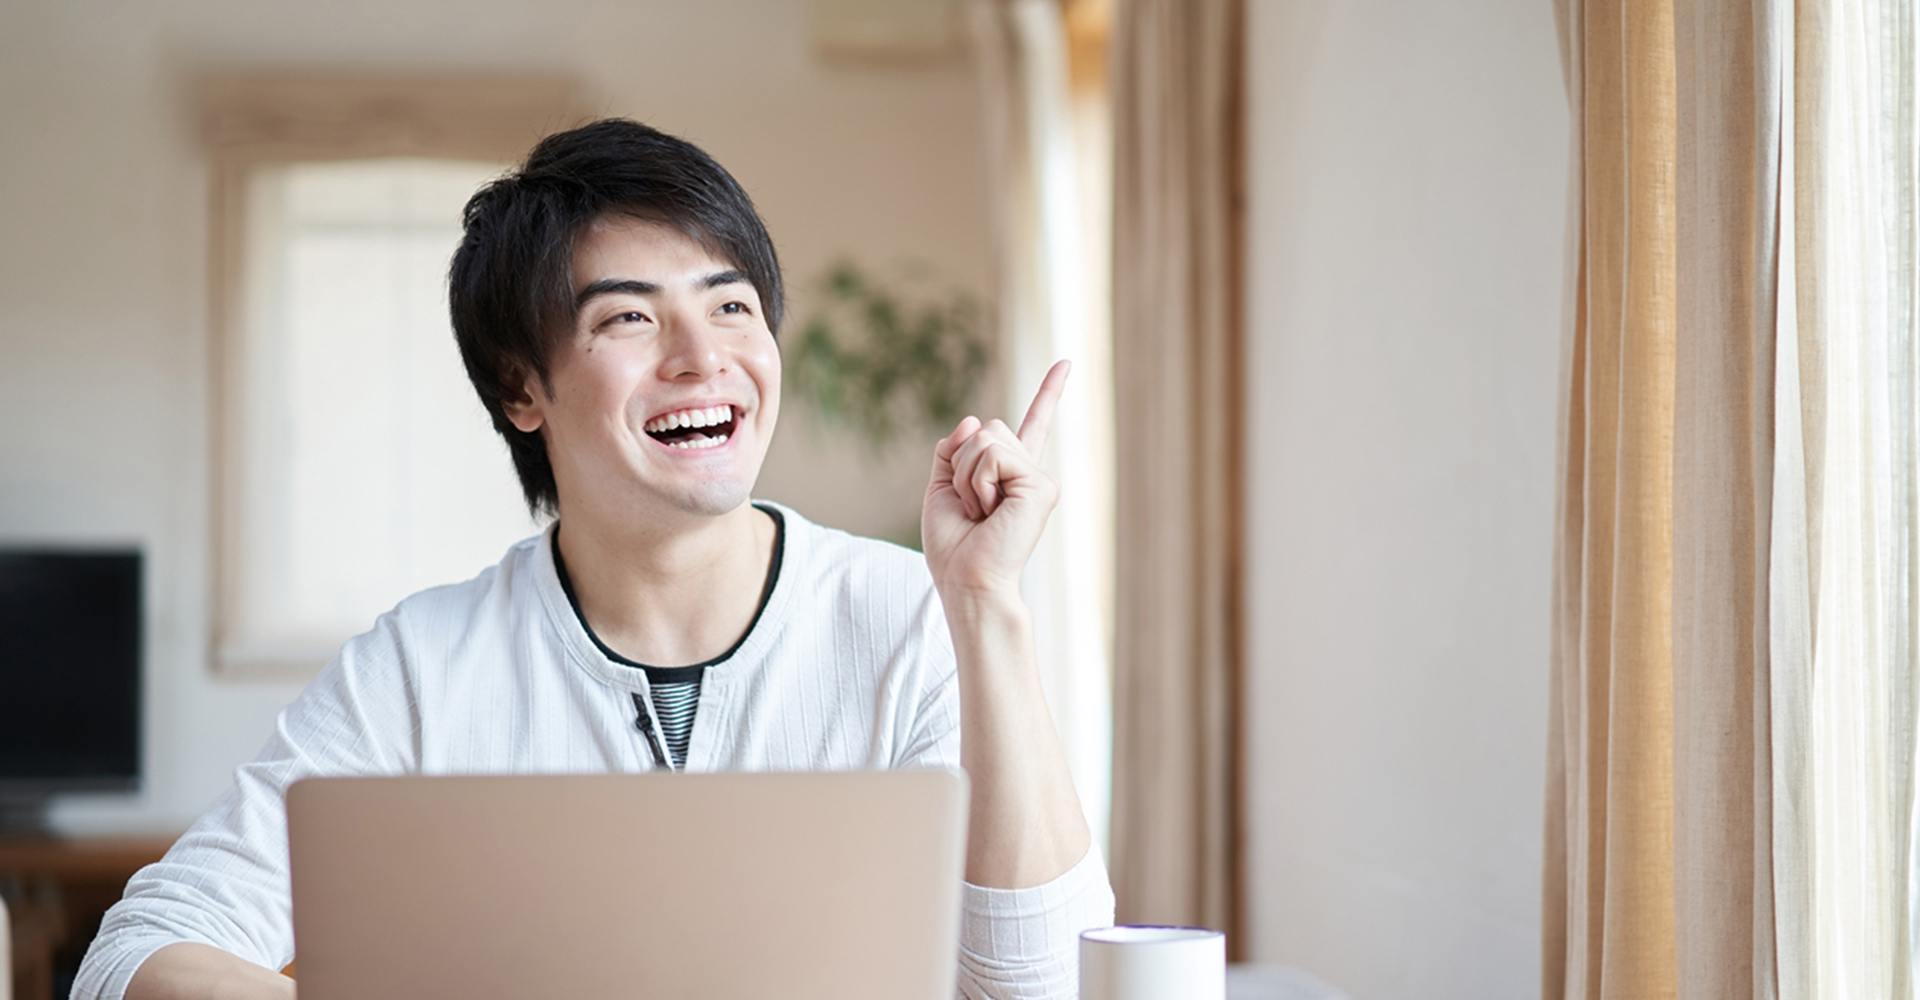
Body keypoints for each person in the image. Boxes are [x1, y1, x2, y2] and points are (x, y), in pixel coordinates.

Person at [73, 118, 1113, 1000]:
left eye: (731, 305)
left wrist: (985, 603)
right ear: (521, 387)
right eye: (630, 317)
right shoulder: (418, 668)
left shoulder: (914, 616)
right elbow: (134, 957)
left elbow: (1045, 985)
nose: (702, 357)